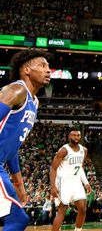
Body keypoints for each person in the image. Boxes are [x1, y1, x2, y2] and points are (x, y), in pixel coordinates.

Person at [0, 50, 50, 231]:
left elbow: (13, 147)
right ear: (27, 70)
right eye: (42, 66)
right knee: (17, 220)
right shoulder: (17, 90)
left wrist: (19, 184)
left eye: (48, 66)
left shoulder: (34, 102)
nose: (48, 70)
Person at [50, 129, 92, 231]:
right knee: (62, 210)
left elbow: (80, 168)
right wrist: (53, 186)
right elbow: (53, 168)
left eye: (78, 135)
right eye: (74, 135)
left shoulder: (84, 150)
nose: (76, 137)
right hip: (64, 182)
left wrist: (86, 183)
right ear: (69, 136)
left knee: (82, 208)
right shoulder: (64, 150)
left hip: (76, 182)